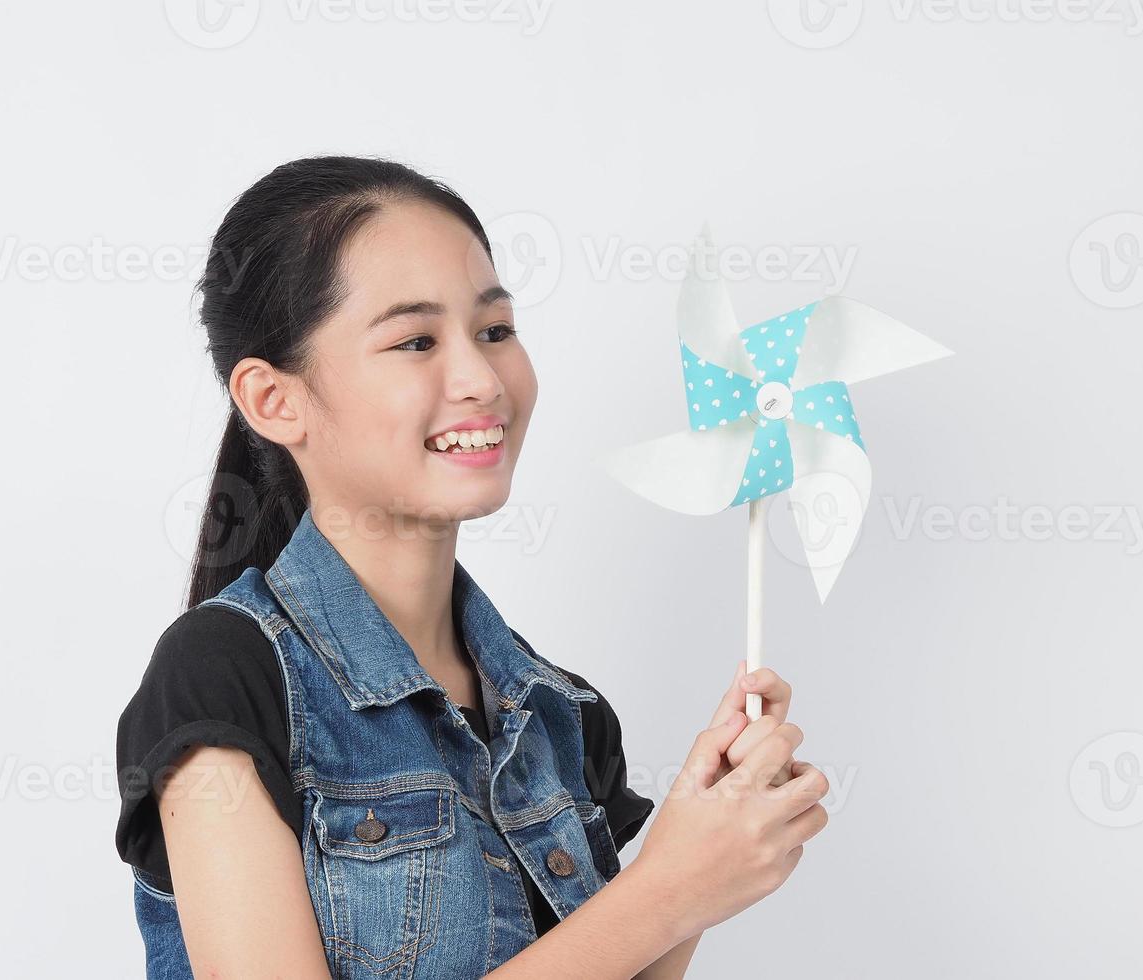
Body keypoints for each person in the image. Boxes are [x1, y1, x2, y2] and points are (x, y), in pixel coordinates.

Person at [112, 155, 828, 979]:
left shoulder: (564, 714)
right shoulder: (224, 676)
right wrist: (668, 890)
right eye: (415, 340)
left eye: (495, 331)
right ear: (276, 400)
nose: (483, 379)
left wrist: (705, 854)